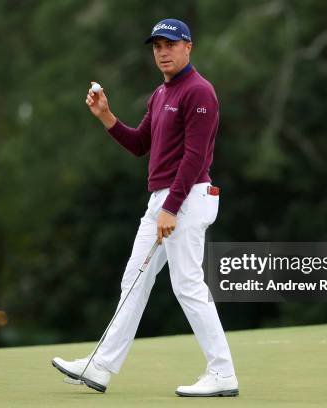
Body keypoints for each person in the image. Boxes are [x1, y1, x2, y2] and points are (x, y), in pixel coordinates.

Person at [52, 18, 238, 397]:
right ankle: (100, 367)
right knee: (133, 282)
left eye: (170, 44)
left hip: (186, 199)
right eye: (157, 46)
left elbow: (195, 155)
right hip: (163, 201)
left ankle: (222, 373)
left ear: (188, 47)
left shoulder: (199, 91)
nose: (163, 51)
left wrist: (171, 207)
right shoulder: (160, 95)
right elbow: (140, 144)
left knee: (187, 285)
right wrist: (106, 116)